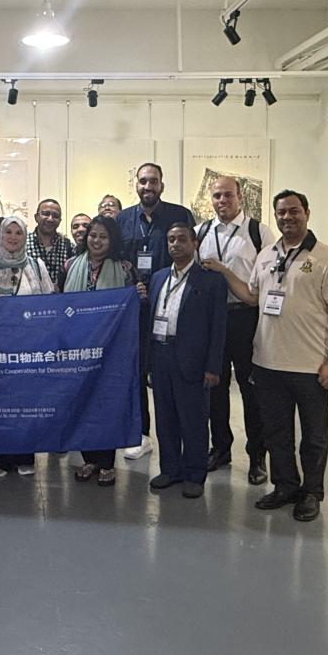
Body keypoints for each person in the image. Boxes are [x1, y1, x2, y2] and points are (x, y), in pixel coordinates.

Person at [216, 190, 328, 523]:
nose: (287, 218)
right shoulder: (265, 255)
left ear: (307, 212)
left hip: (310, 364)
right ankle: (285, 485)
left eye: (293, 212)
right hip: (267, 362)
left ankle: (312, 493)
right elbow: (251, 297)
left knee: (314, 435)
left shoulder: (326, 257)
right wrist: (224, 272)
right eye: (281, 213)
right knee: (276, 432)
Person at [196, 176, 274, 483]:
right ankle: (221, 448)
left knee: (251, 389)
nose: (222, 201)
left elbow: (270, 277)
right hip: (213, 320)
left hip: (246, 317)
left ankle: (257, 456)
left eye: (228, 195)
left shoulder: (257, 232)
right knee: (214, 387)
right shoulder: (202, 231)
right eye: (216, 196)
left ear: (240, 197)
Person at [117, 164, 196, 461]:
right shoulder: (123, 219)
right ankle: (142, 434)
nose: (148, 186)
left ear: (162, 185)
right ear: (135, 185)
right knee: (137, 372)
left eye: (153, 181)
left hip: (171, 305)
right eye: (143, 181)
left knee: (172, 371)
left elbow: (190, 257)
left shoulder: (180, 215)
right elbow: (119, 261)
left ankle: (182, 440)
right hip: (134, 308)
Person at [57, 215, 142, 486]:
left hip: (110, 350)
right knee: (82, 402)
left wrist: (138, 294)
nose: (96, 240)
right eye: (92, 235)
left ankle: (107, 462)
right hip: (77, 347)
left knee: (106, 404)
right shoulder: (69, 266)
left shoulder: (125, 268)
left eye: (103, 236)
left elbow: (132, 308)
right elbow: (59, 303)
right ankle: (89, 459)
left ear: (112, 240)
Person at [145, 223, 227, 498]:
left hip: (192, 358)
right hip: (160, 353)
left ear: (194, 243)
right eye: (170, 240)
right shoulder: (157, 278)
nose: (175, 244)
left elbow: (218, 327)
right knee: (165, 417)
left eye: (181, 239)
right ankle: (170, 469)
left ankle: (194, 473)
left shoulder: (210, 279)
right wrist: (148, 363)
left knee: (193, 419)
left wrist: (213, 367)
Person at [0, 216, 54, 477]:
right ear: (1, 236)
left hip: (28, 347)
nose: (12, 237)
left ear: (25, 236)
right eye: (7, 232)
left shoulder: (37, 265)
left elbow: (48, 303)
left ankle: (25, 456)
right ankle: (0, 459)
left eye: (17, 233)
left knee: (26, 402)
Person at [27, 198, 76, 283]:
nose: (50, 219)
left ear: (60, 221)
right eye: (46, 214)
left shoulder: (69, 246)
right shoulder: (23, 244)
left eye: (56, 216)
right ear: (36, 217)